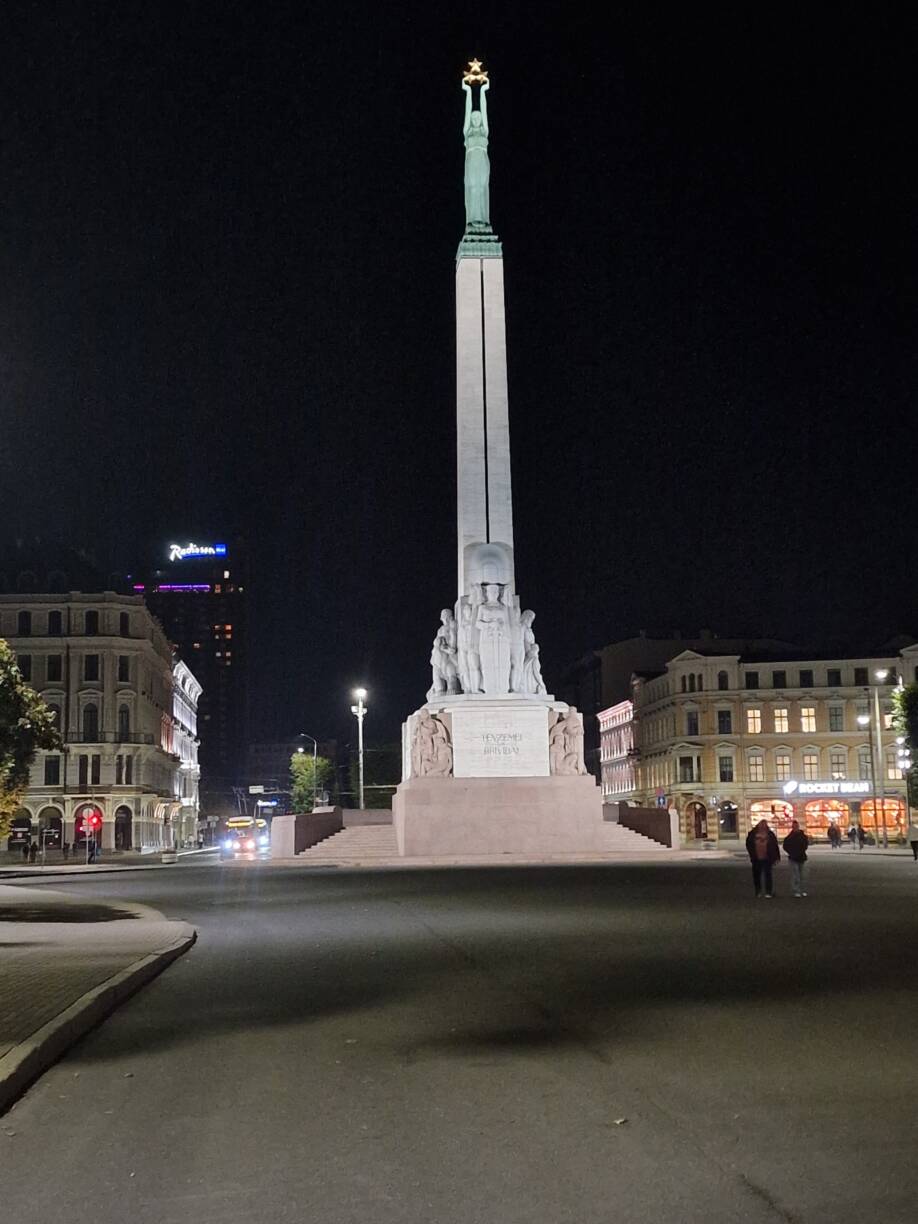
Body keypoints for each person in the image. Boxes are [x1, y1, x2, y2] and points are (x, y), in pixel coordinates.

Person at [745, 818, 780, 898]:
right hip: (756, 858)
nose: (763, 826)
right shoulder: (753, 834)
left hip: (767, 858)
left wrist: (776, 856)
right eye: (762, 825)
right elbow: (749, 844)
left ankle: (768, 892)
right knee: (757, 875)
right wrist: (752, 854)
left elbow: (775, 846)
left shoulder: (770, 834)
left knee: (768, 875)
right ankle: (758, 891)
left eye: (764, 825)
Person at [783, 820, 810, 896]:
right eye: (794, 827)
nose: (795, 828)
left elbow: (805, 844)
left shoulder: (802, 836)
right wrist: (791, 852)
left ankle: (802, 889)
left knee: (802, 875)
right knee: (795, 875)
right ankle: (797, 890)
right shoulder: (790, 837)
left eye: (796, 826)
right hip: (793, 857)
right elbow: (785, 846)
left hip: (801, 857)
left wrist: (801, 850)